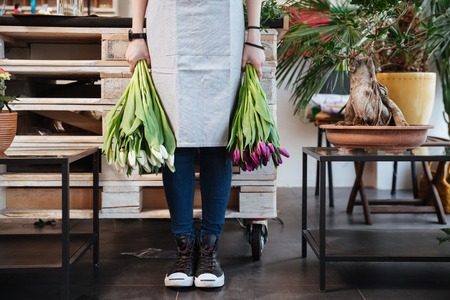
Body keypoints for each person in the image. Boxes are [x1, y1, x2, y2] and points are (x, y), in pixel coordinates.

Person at [125, 0, 265, 288]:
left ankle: (209, 250)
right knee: (176, 140)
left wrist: (254, 33)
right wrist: (137, 35)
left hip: (222, 24)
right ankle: (184, 247)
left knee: (218, 139)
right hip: (168, 24)